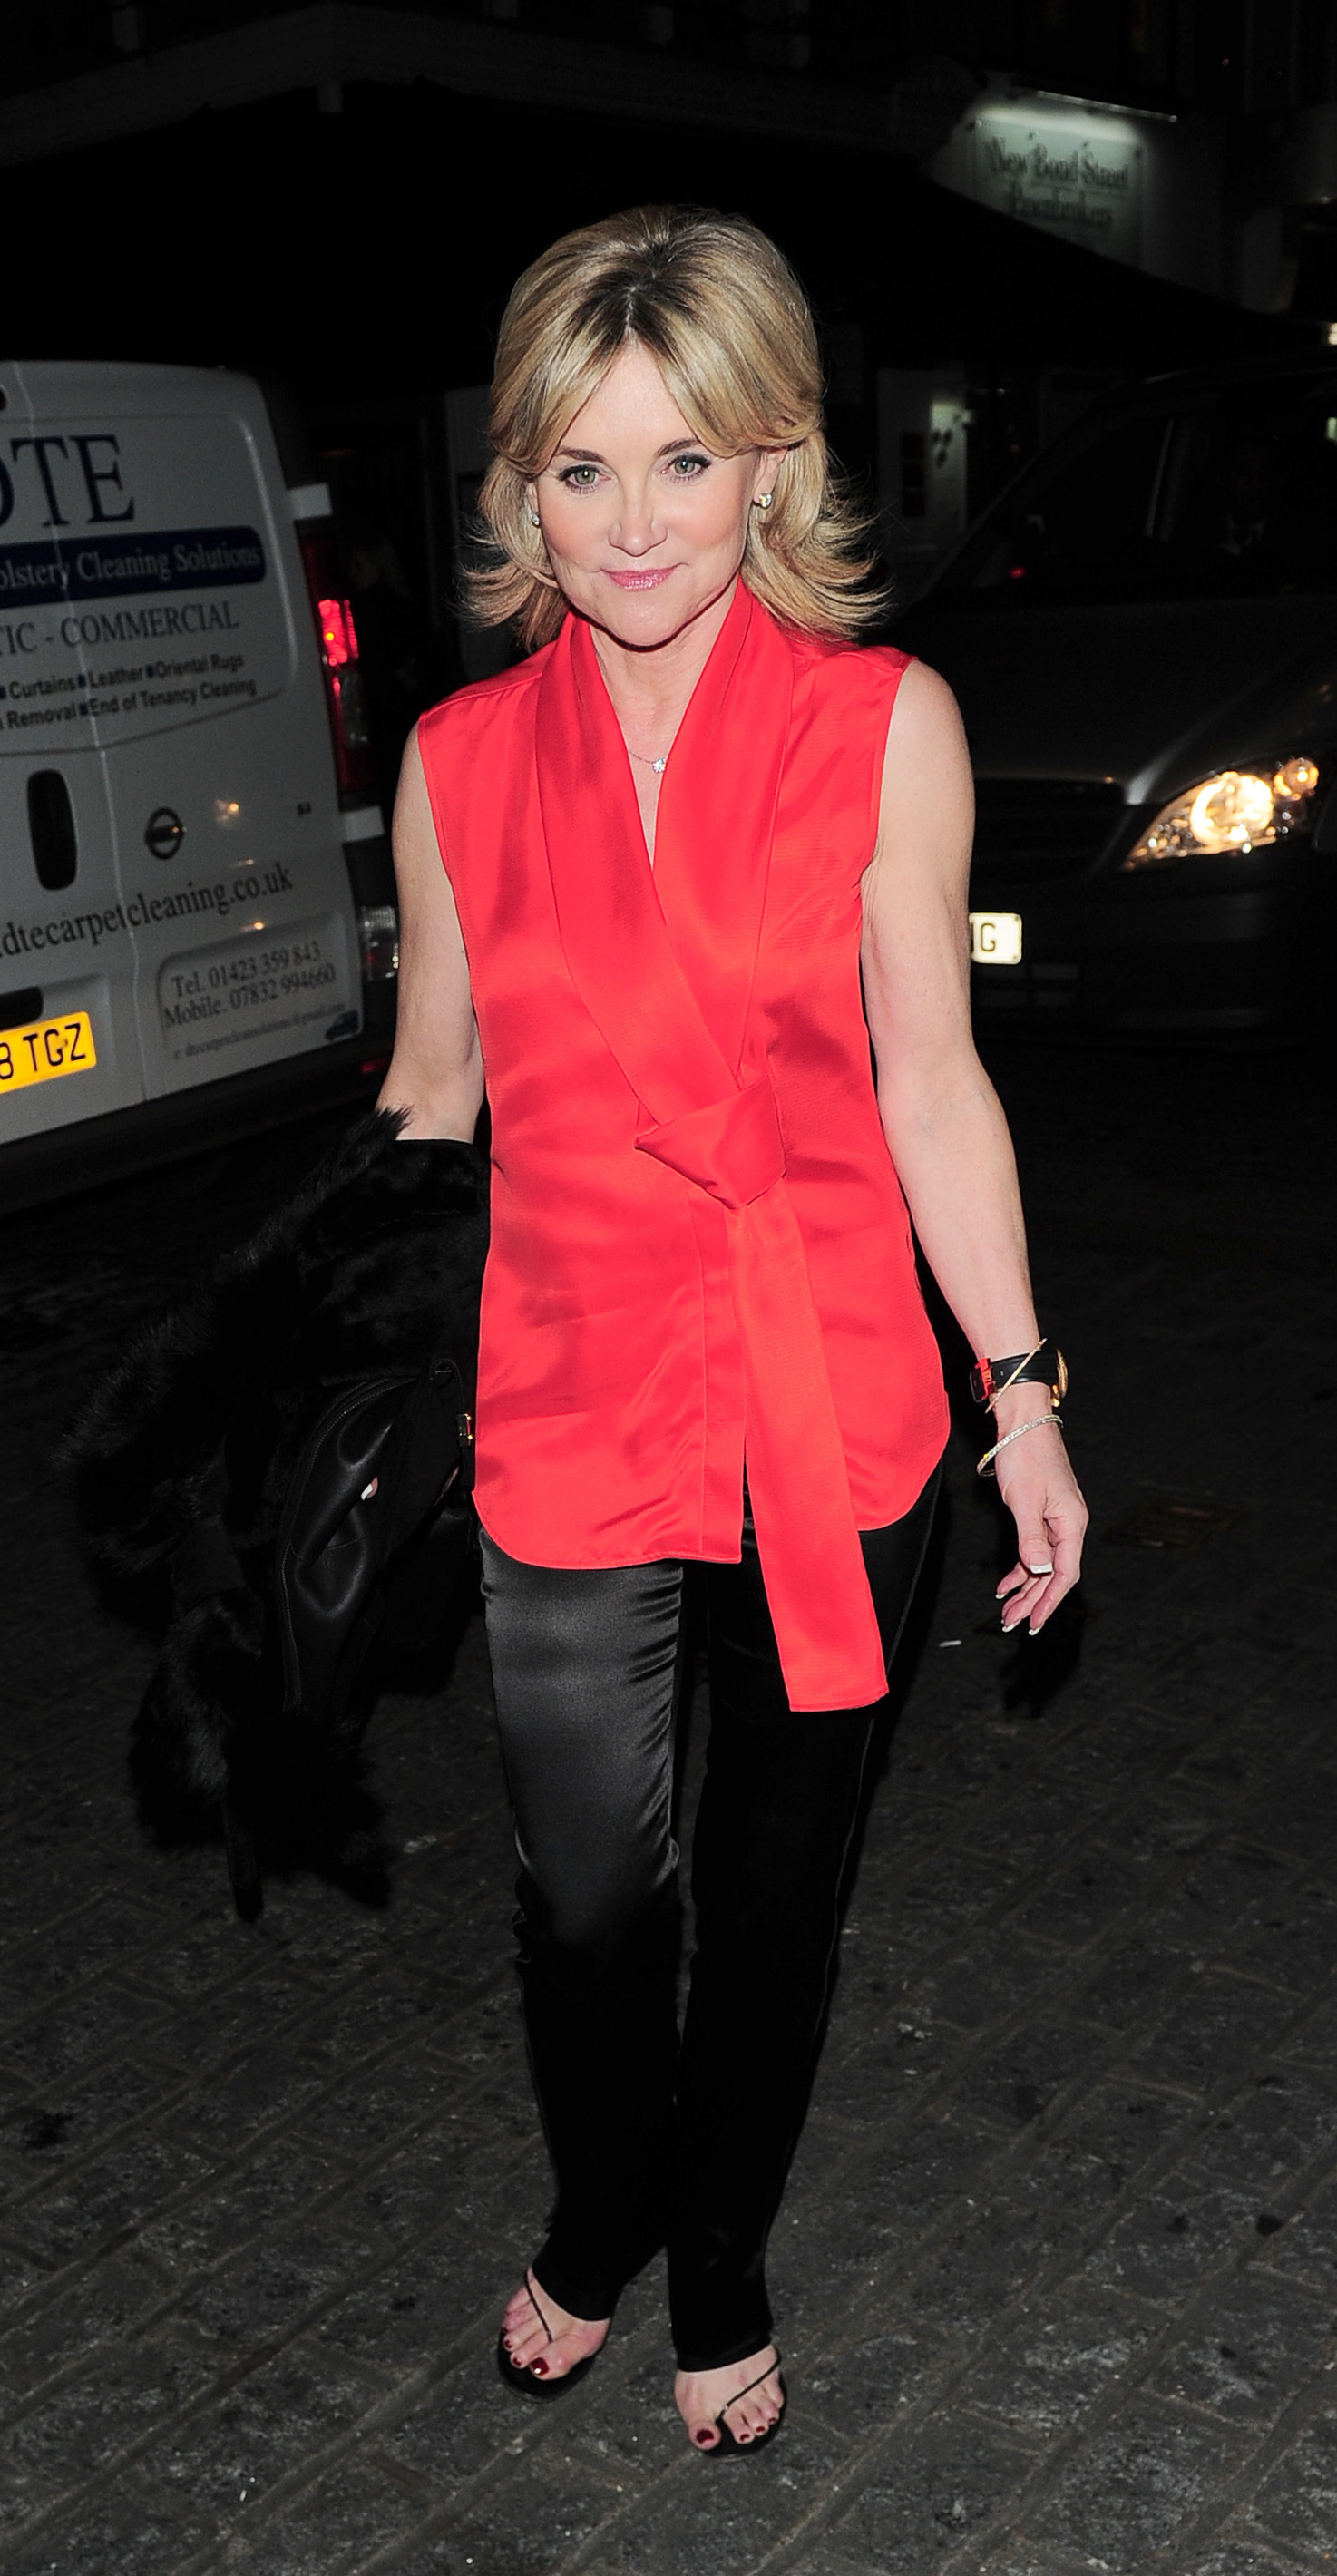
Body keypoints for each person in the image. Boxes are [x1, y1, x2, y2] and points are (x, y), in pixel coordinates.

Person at [379, 205, 1086, 2458]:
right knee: (592, 1898)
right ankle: (598, 2192)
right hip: (564, 1385)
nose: (632, 524)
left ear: (774, 462)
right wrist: (307, 1380)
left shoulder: (885, 726)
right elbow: (427, 1101)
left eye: (683, 461)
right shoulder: (456, 760)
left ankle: (713, 2253)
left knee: (778, 1904)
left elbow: (930, 1082)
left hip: (828, 1397)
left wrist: (1022, 1394)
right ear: (517, 485)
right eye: (577, 468)